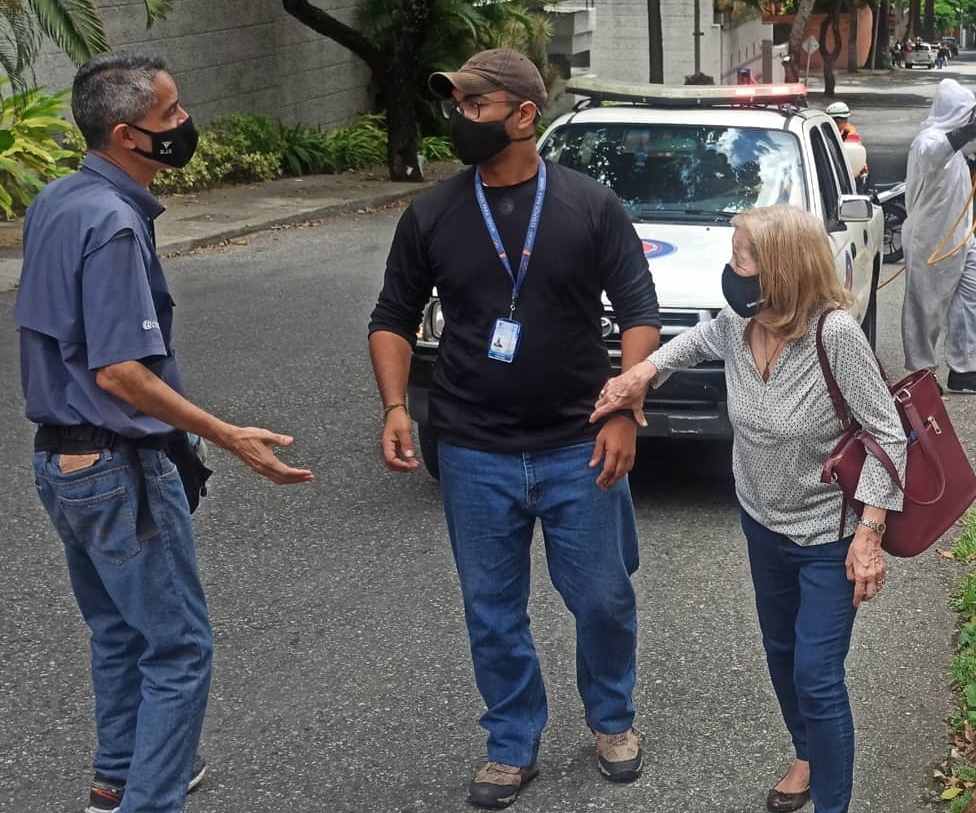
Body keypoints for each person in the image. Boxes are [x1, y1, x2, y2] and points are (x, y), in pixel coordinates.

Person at [16, 52, 313, 813]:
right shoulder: (114, 224)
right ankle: (148, 799)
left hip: (64, 465)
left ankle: (116, 781)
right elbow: (119, 371)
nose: (185, 124)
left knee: (119, 634)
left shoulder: (58, 200)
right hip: (119, 471)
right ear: (126, 135)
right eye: (171, 115)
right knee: (178, 651)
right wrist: (226, 434)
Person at [367, 47, 661, 809]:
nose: (459, 119)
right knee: (491, 609)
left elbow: (638, 314)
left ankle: (612, 718)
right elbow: (393, 316)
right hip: (472, 449)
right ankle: (510, 742)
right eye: (455, 105)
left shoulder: (590, 206)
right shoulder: (431, 212)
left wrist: (626, 408)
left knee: (602, 597)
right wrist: (397, 406)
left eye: (474, 105)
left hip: (579, 439)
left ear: (524, 115)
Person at [590, 204, 906, 813]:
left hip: (828, 535)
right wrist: (639, 377)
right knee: (782, 654)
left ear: (782, 269)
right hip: (762, 524)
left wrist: (869, 535)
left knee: (817, 673)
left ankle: (832, 805)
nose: (730, 268)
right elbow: (688, 344)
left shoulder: (832, 334)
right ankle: (807, 754)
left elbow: (887, 434)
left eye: (742, 256)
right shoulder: (741, 322)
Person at [901, 78, 976, 394]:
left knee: (972, 300)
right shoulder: (927, 141)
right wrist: (971, 130)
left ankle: (965, 370)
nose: (971, 120)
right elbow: (937, 152)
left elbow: (960, 147)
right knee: (925, 309)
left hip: (961, 236)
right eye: (967, 114)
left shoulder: (952, 142)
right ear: (954, 113)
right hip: (930, 239)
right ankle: (921, 374)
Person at [824, 102, 869, 186]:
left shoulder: (850, 134)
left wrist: (863, 173)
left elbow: (855, 157)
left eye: (836, 121)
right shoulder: (826, 130)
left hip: (851, 175)